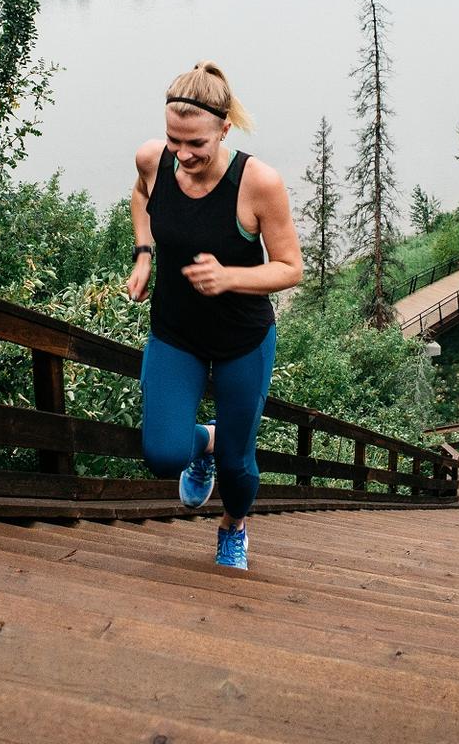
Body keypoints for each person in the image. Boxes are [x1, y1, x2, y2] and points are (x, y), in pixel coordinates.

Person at [126, 62, 303, 571]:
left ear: (224, 129)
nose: (183, 156)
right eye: (173, 141)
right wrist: (144, 253)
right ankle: (204, 437)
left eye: (196, 145)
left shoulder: (258, 183)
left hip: (242, 339)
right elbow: (141, 196)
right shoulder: (153, 161)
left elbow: (291, 268)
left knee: (238, 465)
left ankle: (233, 527)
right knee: (163, 453)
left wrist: (230, 278)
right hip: (175, 332)